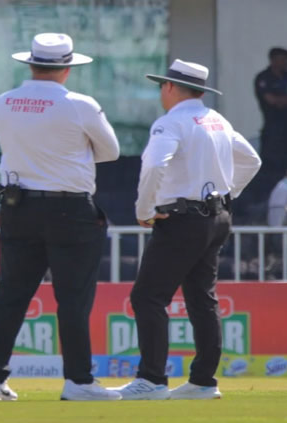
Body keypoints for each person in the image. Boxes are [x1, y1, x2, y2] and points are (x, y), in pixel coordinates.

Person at [0, 33, 120, 401]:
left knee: (10, 295)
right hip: (69, 208)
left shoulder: (4, 101)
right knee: (73, 298)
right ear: (67, 68)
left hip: (17, 206)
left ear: (30, 63)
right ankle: (78, 381)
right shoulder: (80, 104)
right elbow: (110, 151)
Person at [115, 59, 261, 400]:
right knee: (201, 297)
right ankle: (203, 381)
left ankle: (151, 379)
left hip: (182, 218)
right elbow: (252, 160)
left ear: (170, 87)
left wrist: (145, 209)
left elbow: (154, 164)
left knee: (148, 296)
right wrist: (228, 192)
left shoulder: (171, 122)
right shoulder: (217, 120)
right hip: (217, 216)